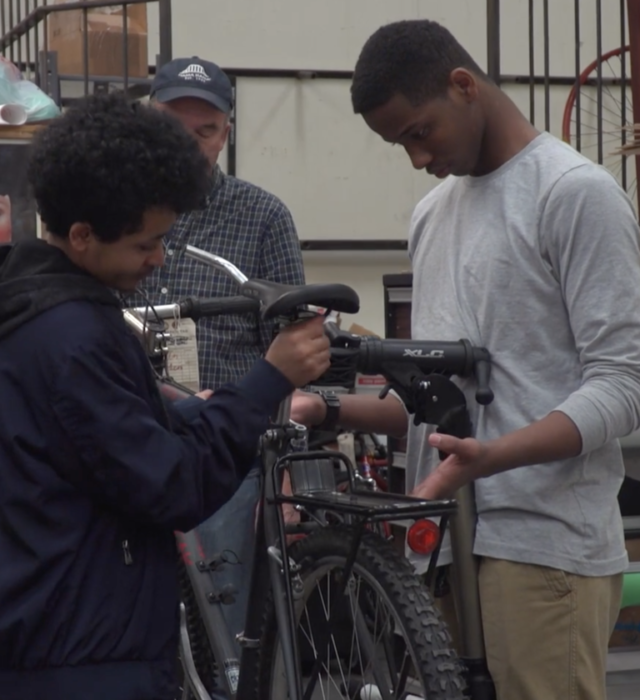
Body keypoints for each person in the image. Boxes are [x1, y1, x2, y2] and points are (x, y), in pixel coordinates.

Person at [292, 19, 640, 700]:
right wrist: (323, 406)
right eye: (400, 145)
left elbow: (624, 384)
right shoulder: (431, 214)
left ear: (463, 86)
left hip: (541, 553)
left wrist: (494, 454)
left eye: (420, 133)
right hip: (442, 548)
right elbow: (434, 401)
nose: (417, 158)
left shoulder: (575, 194)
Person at [0, 92, 330, 700]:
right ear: (81, 235)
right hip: (82, 660)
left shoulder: (33, 311)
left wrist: (197, 408)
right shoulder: (73, 338)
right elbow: (170, 483)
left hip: (58, 639)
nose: (158, 259)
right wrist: (267, 378)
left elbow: (114, 448)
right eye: (144, 244)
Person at [126, 57, 306, 668]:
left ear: (227, 132)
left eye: (205, 130)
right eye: (174, 125)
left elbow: (296, 341)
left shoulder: (264, 216)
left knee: (233, 631)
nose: (190, 142)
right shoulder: (114, 211)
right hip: (137, 429)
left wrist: (282, 458)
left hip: (232, 441)